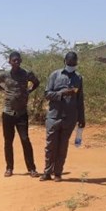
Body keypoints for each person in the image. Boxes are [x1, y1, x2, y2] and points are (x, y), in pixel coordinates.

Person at [0, 51, 40, 178]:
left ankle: (32, 169)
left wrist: (29, 91)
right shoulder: (5, 75)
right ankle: (9, 168)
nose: (16, 62)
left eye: (18, 60)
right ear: (9, 62)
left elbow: (37, 82)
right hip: (8, 113)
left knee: (25, 140)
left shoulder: (26, 74)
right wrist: (5, 91)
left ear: (21, 61)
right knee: (8, 141)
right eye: (14, 60)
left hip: (21, 113)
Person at [41, 51, 86, 182]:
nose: (72, 64)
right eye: (69, 62)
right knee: (50, 145)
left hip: (70, 117)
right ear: (64, 61)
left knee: (63, 146)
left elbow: (80, 99)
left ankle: (58, 173)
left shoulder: (79, 78)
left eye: (74, 63)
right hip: (54, 116)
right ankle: (47, 172)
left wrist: (81, 118)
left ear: (76, 63)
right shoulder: (55, 75)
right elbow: (47, 94)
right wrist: (62, 93)